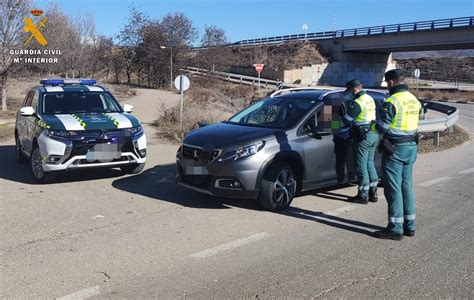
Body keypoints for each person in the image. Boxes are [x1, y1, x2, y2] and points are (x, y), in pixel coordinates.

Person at [374, 69, 422, 240]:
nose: (388, 86)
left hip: (395, 149)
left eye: (388, 83)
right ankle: (410, 226)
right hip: (411, 147)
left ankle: (395, 228)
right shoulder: (413, 99)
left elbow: (382, 127)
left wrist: (374, 123)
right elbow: (420, 117)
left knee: (393, 188)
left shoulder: (392, 101)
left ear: (392, 82)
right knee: (406, 187)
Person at [342, 79, 379, 204]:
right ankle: (373, 192)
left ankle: (363, 195)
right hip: (374, 134)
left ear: (353, 89)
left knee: (360, 164)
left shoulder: (357, 102)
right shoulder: (369, 98)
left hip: (363, 136)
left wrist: (338, 117)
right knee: (369, 162)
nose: (349, 94)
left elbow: (346, 120)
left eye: (349, 91)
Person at [333, 91, 355, 183]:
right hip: (346, 135)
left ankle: (343, 178)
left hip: (345, 136)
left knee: (343, 159)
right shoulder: (348, 102)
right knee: (346, 159)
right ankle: (347, 177)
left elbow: (333, 126)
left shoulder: (334, 107)